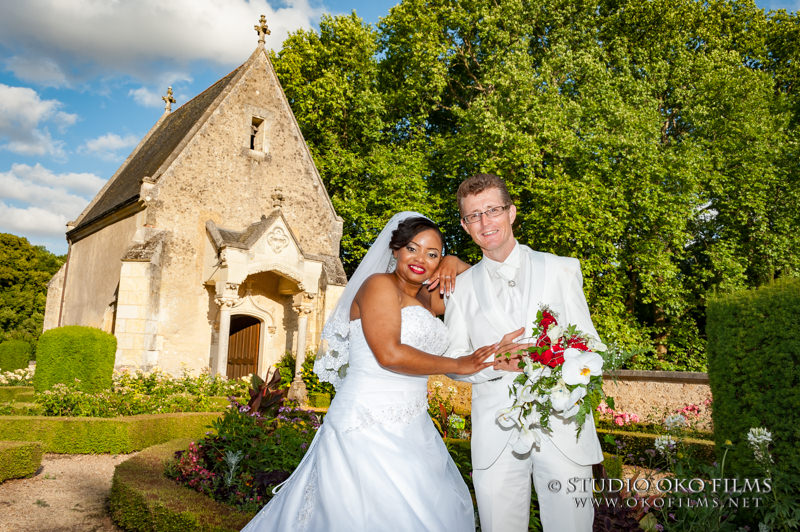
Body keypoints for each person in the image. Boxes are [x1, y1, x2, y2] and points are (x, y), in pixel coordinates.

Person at [242, 212, 514, 532]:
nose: (420, 259)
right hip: (365, 422)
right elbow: (389, 354)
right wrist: (458, 364)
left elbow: (489, 290)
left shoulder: (429, 299)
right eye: (412, 249)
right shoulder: (378, 285)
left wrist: (457, 262)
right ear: (395, 249)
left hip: (413, 425)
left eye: (432, 254)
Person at [443, 174, 604, 532]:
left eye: (492, 210)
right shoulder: (461, 289)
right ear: (465, 225)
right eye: (473, 216)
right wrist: (494, 363)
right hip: (496, 436)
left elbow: (591, 345)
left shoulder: (562, 269)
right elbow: (453, 362)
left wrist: (554, 359)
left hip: (564, 433)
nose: (485, 222)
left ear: (511, 213)